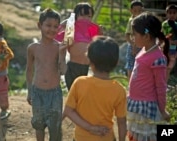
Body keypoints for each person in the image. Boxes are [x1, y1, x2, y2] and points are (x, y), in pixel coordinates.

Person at [63, 36, 127, 141]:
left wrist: (90, 128)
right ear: (116, 62)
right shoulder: (119, 90)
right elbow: (121, 122)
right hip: (106, 138)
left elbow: (68, 111)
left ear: (89, 59)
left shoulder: (80, 82)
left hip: (81, 138)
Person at [127, 12, 171, 141]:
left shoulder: (157, 58)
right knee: (135, 135)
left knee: (148, 136)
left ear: (146, 36)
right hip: (136, 105)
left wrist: (162, 110)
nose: (133, 38)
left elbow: (161, 87)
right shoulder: (144, 50)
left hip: (146, 108)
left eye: (135, 34)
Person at [26, 8, 67, 141]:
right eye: (48, 25)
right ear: (40, 25)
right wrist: (29, 91)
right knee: (39, 125)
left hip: (54, 94)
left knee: (55, 128)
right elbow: (29, 71)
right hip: (37, 93)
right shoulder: (33, 48)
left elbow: (63, 71)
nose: (52, 29)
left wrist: (61, 54)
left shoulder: (59, 47)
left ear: (59, 28)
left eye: (55, 26)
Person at [55, 2, 102, 90]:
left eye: (89, 16)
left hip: (86, 68)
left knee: (83, 93)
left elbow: (98, 45)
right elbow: (57, 38)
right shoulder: (71, 29)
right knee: (73, 92)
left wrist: (100, 33)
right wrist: (63, 24)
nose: (86, 19)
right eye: (83, 16)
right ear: (76, 16)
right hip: (73, 67)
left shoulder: (91, 31)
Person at [124, 0, 143, 80]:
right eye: (135, 11)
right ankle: (130, 84)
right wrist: (133, 45)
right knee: (131, 65)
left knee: (140, 65)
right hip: (133, 46)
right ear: (131, 10)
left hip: (141, 45)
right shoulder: (132, 21)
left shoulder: (143, 21)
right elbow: (127, 35)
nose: (137, 13)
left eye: (139, 11)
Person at [161, 4, 177, 79]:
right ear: (167, 14)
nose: (172, 15)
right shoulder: (165, 24)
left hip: (174, 49)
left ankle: (165, 83)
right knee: (164, 67)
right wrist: (170, 39)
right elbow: (164, 35)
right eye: (170, 13)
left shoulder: (176, 25)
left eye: (174, 13)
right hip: (166, 48)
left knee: (169, 68)